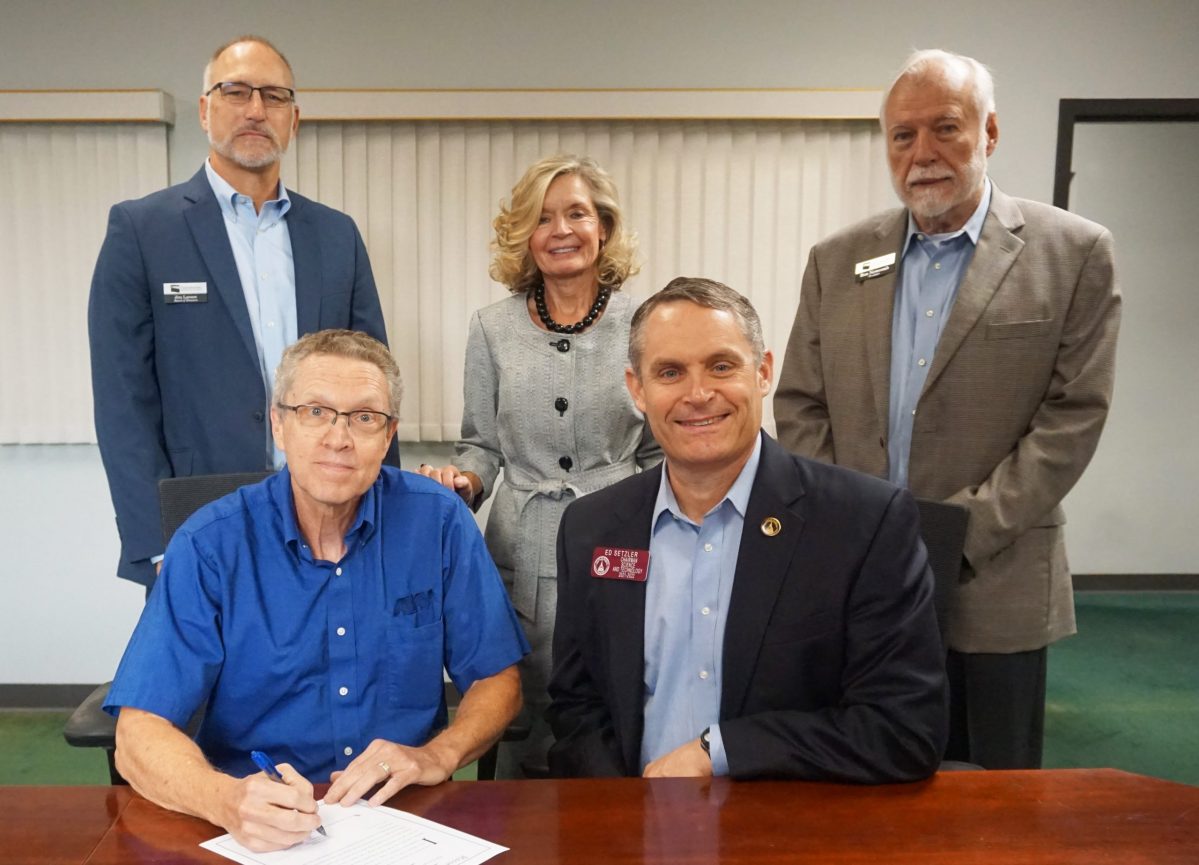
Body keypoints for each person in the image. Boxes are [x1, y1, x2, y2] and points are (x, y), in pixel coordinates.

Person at [773, 49, 1121, 769]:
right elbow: (801, 403)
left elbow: (1072, 417)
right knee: (866, 778)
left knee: (994, 797)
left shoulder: (1073, 252)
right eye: (903, 135)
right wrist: (849, 526)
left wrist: (956, 535)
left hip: (993, 580)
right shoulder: (838, 259)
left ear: (988, 132)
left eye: (945, 128)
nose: (922, 153)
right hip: (857, 580)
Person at [104, 329, 528, 853]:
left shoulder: (438, 522)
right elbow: (138, 733)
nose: (338, 438)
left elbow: (497, 677)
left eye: (364, 417)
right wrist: (226, 800)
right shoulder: (209, 544)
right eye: (316, 412)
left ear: (389, 435)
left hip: (403, 821)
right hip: (256, 825)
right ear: (279, 424)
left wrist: (436, 756)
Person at [547, 278, 946, 783]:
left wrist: (720, 751)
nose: (698, 394)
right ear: (637, 390)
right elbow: (577, 707)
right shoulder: (592, 527)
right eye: (670, 372)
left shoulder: (864, 523)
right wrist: (625, 809)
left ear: (763, 373)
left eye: (721, 366)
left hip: (785, 817)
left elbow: (903, 728)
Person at [88, 35, 391, 591]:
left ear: (294, 120)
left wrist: (385, 518)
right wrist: (157, 545)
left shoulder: (336, 236)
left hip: (332, 517)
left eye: (274, 96)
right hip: (198, 523)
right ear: (205, 111)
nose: (255, 109)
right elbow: (122, 403)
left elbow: (375, 388)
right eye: (236, 92)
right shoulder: (143, 231)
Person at [419, 154, 659, 777]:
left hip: (620, 547)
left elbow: (659, 452)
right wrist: (463, 482)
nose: (561, 230)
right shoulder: (491, 328)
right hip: (519, 551)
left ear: (603, 226)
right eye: (543, 218)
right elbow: (481, 445)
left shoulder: (645, 323)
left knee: (614, 713)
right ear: (525, 235)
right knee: (519, 720)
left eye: (577, 213)